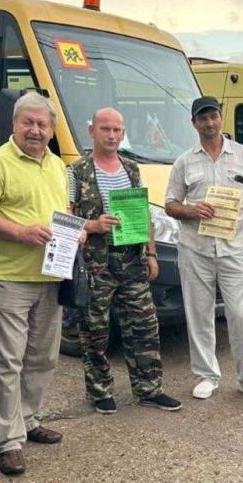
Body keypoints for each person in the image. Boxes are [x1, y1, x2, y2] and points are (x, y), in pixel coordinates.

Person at [0, 92, 70, 476]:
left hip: (50, 276)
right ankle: (8, 441)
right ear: (14, 124)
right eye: (28, 122)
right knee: (7, 361)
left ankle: (29, 419)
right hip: (9, 277)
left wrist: (74, 233)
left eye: (43, 124)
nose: (36, 130)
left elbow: (63, 211)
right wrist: (20, 232)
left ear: (52, 129)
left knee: (42, 357)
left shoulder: (58, 166)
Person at [69, 107, 182, 414]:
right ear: (92, 131)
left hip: (132, 260)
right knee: (95, 331)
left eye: (118, 130)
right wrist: (92, 225)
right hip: (96, 264)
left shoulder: (131, 169)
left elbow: (143, 213)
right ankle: (100, 391)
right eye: (106, 129)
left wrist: (151, 253)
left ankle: (149, 388)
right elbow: (64, 217)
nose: (113, 136)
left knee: (145, 325)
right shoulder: (77, 171)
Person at [165, 96, 243, 403]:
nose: (209, 123)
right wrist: (191, 210)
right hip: (195, 249)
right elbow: (170, 204)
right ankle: (206, 375)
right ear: (194, 123)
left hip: (233, 249)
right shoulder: (185, 161)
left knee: (239, 314)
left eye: (214, 117)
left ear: (221, 118)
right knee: (199, 314)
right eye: (203, 118)